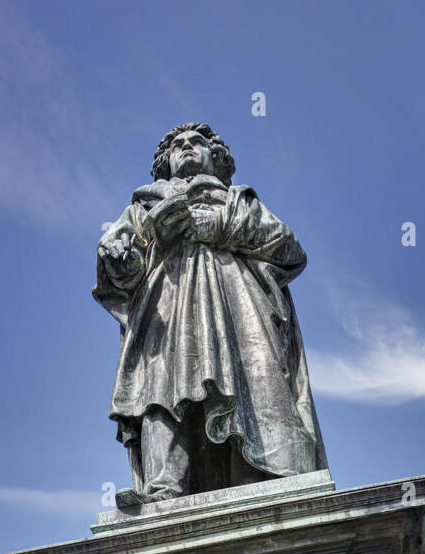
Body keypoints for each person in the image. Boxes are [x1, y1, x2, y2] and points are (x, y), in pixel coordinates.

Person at [94, 123, 326, 506]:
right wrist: (122, 258)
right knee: (162, 387)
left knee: (252, 380)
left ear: (216, 157)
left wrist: (218, 226)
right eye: (177, 146)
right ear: (164, 163)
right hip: (165, 309)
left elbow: (289, 249)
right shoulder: (142, 208)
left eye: (196, 143)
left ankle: (259, 474)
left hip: (237, 306)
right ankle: (162, 486)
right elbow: (123, 273)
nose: (186, 148)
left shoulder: (237, 202)